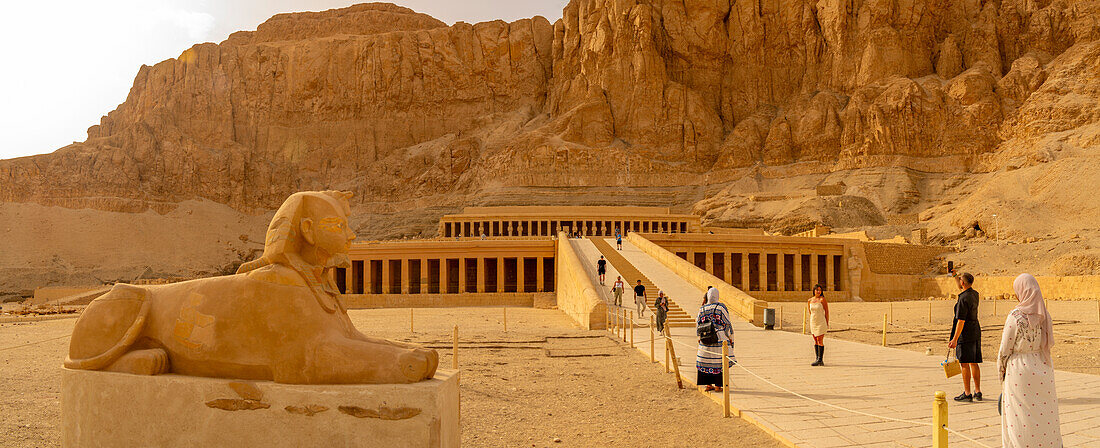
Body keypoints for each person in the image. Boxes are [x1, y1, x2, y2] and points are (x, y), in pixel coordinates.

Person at [999, 273, 1062, 447]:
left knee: (1019, 418)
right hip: (1042, 368)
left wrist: (1001, 371)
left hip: (1020, 369)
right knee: (1044, 416)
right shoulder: (1043, 314)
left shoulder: (1015, 316)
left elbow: (1005, 348)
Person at [948, 272, 982, 402]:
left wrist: (955, 339)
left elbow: (961, 321)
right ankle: (977, 391)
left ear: (963, 283)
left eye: (960, 280)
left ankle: (967, 393)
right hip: (975, 331)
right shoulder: (975, 294)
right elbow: (960, 286)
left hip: (965, 333)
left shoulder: (963, 298)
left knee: (964, 363)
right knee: (974, 362)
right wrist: (955, 275)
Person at [696, 287, 733, 392]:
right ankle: (718, 386)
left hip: (705, 338)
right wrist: (729, 337)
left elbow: (698, 324)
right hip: (719, 338)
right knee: (719, 361)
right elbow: (726, 323)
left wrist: (699, 337)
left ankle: (708, 385)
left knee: (706, 361)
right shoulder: (720, 307)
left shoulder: (702, 308)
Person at [807, 285, 830, 366]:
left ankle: (820, 360)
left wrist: (827, 322)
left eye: (820, 290)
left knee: (820, 340)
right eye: (817, 290)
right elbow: (810, 311)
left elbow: (826, 312)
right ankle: (817, 358)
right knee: (815, 340)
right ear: (814, 291)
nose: (818, 291)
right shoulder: (810, 300)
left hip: (821, 322)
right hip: (813, 322)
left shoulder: (822, 300)